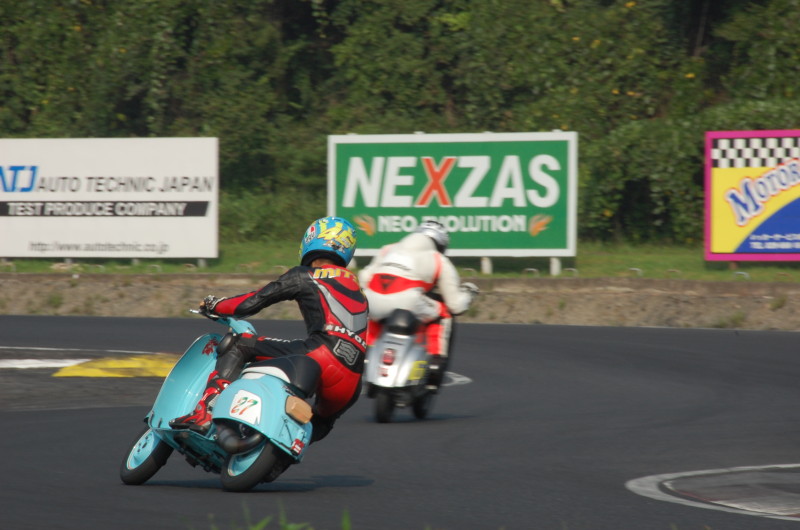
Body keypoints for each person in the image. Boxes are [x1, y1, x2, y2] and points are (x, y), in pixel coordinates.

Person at [169, 216, 368, 443]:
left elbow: (250, 303)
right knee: (317, 425)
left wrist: (216, 304)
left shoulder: (305, 275)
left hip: (320, 354)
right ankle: (282, 452)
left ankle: (205, 412)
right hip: (351, 382)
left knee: (240, 343)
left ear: (311, 239)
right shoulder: (359, 289)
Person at [358, 220, 479, 392]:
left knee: (373, 311)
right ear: (441, 244)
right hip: (408, 301)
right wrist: (469, 293)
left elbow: (364, 277)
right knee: (444, 312)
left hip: (373, 299)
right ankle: (436, 361)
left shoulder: (387, 248)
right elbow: (456, 305)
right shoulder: (438, 259)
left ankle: (367, 351)